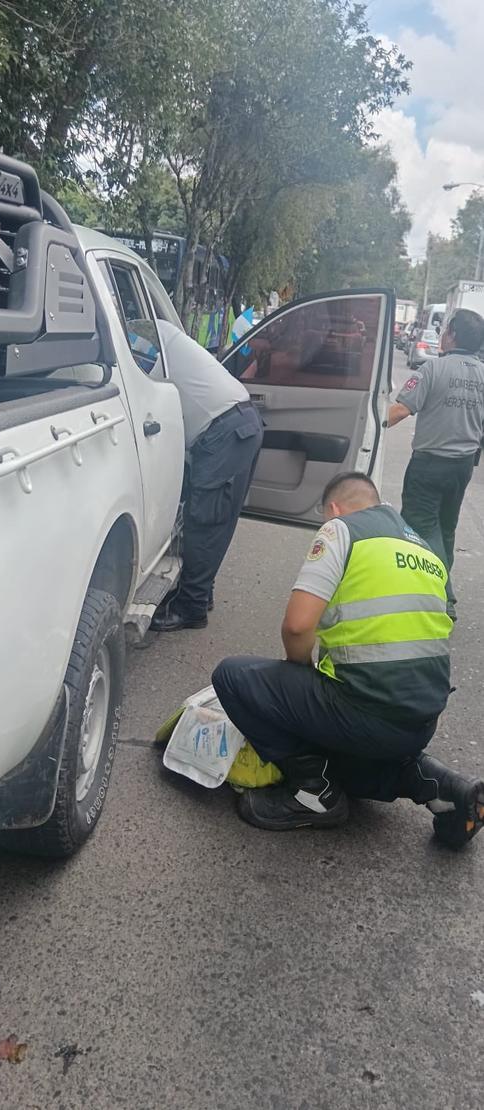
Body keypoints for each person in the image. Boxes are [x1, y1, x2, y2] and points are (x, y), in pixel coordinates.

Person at [212, 472, 484, 849]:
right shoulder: (425, 549)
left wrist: (298, 677)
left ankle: (315, 795)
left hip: (367, 714)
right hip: (420, 721)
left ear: (334, 509)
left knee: (233, 677)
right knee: (348, 759)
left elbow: (297, 627)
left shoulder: (341, 530)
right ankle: (444, 788)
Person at [151, 320, 264, 631]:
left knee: (204, 521)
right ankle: (201, 592)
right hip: (240, 423)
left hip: (224, 432)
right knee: (217, 520)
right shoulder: (168, 337)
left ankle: (192, 608)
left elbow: (139, 396)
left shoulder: (153, 351)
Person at [389, 308, 484, 620]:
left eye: (445, 330)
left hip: (430, 463)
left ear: (452, 335)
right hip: (462, 466)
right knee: (445, 526)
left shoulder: (433, 369)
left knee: (420, 526)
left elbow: (400, 410)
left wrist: (369, 423)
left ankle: (442, 596)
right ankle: (434, 591)